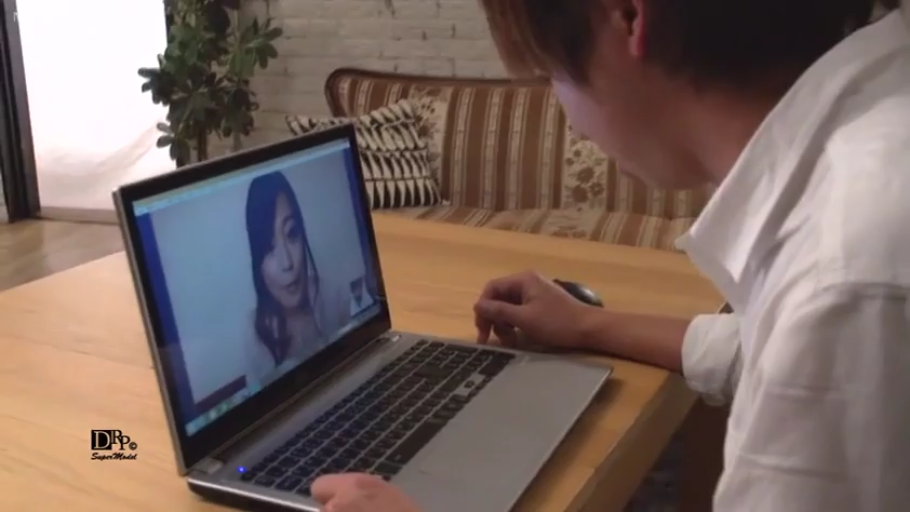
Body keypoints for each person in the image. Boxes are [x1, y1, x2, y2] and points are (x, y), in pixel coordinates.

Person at [312, 0, 910, 511]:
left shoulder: (843, 277)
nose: (571, 125)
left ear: (627, 16)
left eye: (552, 74)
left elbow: (815, 330)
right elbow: (766, 346)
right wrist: (588, 325)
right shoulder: (879, 118)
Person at [243, 171, 351, 390]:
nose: (287, 263)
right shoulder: (253, 335)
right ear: (257, 263)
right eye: (269, 248)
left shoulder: (334, 296)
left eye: (292, 233)